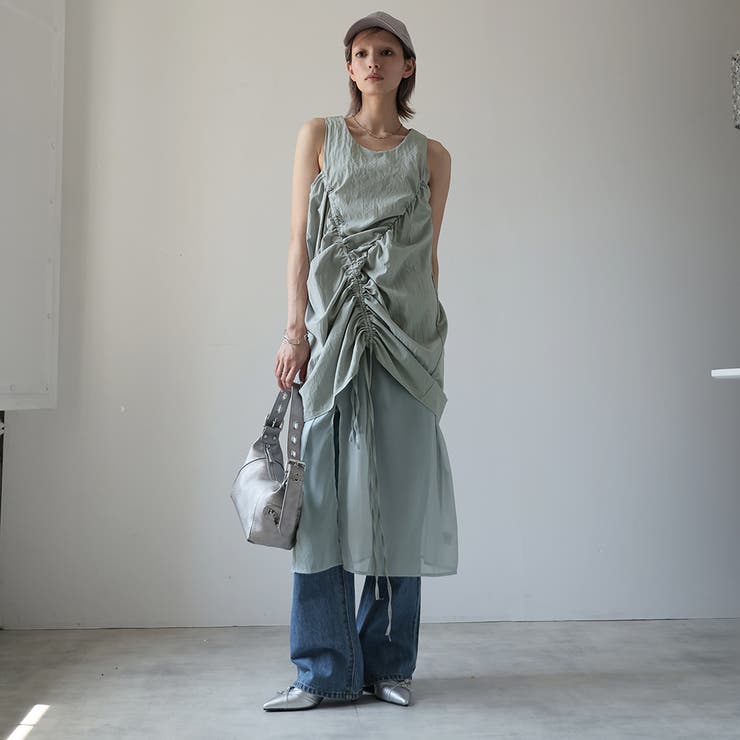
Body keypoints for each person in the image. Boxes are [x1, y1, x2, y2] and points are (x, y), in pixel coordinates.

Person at [263, 11, 458, 711]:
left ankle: (388, 667)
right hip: (334, 335)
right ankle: (322, 671)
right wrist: (295, 331)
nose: (373, 62)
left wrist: (426, 342)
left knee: (397, 499)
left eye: (386, 52)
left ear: (408, 66)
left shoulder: (432, 155)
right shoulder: (318, 136)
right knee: (320, 501)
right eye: (361, 52)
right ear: (349, 67)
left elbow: (427, 257)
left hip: (406, 341)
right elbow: (298, 242)